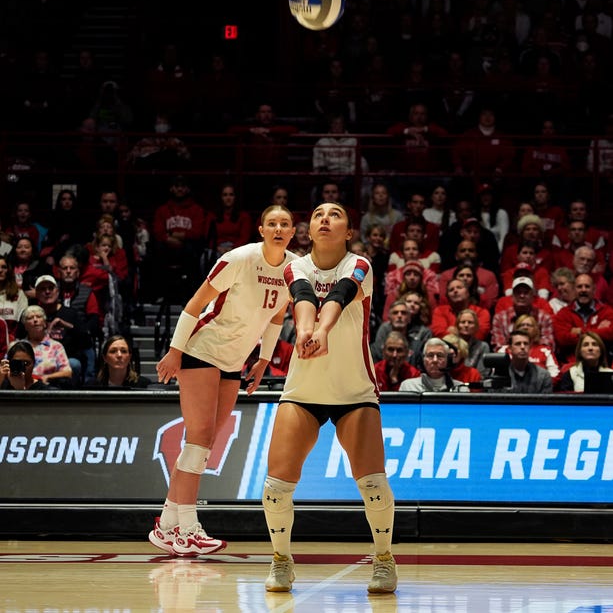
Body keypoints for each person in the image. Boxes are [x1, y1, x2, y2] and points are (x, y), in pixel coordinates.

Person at [262, 201, 397, 594]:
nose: (324, 219)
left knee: (373, 484)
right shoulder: (295, 265)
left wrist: (322, 331)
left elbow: (339, 295)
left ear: (349, 231)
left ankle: (385, 560)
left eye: (334, 214)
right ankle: (281, 560)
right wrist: (306, 331)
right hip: (304, 390)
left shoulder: (361, 265)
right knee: (275, 488)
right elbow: (302, 297)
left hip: (354, 390)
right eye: (318, 214)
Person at [150, 204, 297, 557]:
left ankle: (166, 524)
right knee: (198, 438)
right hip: (202, 347)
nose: (279, 228)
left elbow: (278, 316)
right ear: (261, 229)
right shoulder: (239, 259)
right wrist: (175, 350)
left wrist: (263, 359)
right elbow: (195, 303)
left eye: (285, 224)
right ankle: (188, 527)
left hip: (235, 358)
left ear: (293, 232)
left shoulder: (295, 268)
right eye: (272, 223)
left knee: (205, 442)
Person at [553, 273, 613, 364]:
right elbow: (562, 338)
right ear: (574, 289)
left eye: (587, 286)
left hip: (602, 362)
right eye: (579, 287)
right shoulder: (563, 313)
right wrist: (598, 331)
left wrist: (580, 331)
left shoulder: (607, 311)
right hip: (572, 364)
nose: (583, 290)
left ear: (594, 289)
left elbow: (611, 333)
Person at [21, 304, 73, 388]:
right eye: (30, 318)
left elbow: (67, 372)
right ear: (25, 326)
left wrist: (47, 377)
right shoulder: (19, 346)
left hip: (47, 387)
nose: (35, 320)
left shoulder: (56, 346)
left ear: (45, 323)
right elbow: (6, 370)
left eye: (39, 317)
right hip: (23, 387)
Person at [496, 314, 560, 381]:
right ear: (516, 328)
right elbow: (496, 374)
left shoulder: (545, 350)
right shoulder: (504, 350)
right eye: (521, 325)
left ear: (535, 329)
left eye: (529, 325)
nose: (525, 327)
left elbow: (555, 375)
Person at [86, 334, 151, 389]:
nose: (119, 355)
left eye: (124, 351)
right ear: (105, 358)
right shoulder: (92, 386)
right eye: (113, 351)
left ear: (129, 357)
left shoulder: (144, 385)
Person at [0, 255, 29, 341]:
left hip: (13, 341)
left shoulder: (19, 294)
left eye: (4, 267)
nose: (0, 270)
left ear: (8, 270)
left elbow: (24, 321)